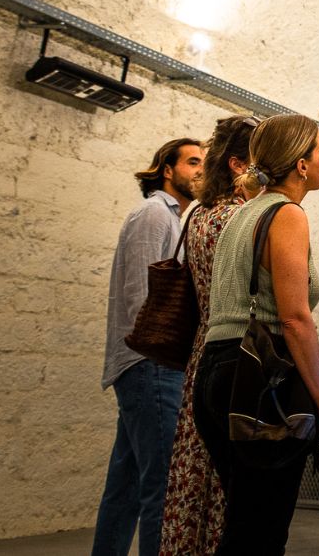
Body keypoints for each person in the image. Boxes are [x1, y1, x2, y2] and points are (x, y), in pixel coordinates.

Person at [191, 113, 319, 555]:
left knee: (245, 525)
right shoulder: (287, 214)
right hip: (261, 380)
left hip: (217, 373)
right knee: (261, 532)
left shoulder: (242, 214)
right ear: (301, 164)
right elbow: (295, 320)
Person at [94, 137, 206, 556]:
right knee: (162, 489)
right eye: (192, 162)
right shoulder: (155, 215)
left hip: (145, 367)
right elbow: (140, 295)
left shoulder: (175, 219)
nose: (200, 170)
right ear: (167, 169)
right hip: (150, 366)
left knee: (124, 489)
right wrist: (165, 354)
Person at [159, 115, 257, 556]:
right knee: (226, 481)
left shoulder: (200, 214)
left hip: (203, 352)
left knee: (194, 471)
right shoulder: (240, 219)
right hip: (237, 351)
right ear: (239, 165)